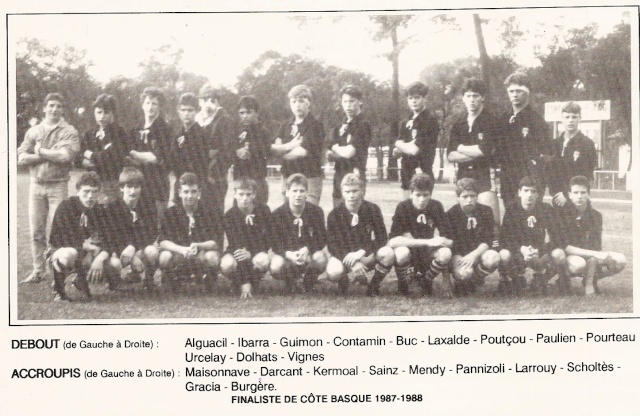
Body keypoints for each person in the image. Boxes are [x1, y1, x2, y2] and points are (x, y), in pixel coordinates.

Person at [18, 92, 80, 284]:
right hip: (36, 186)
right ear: (44, 108)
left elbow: (64, 157)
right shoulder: (33, 131)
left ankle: (58, 272)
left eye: (58, 106)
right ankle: (38, 271)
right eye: (51, 105)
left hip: (58, 186)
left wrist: (38, 152)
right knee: (36, 231)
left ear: (63, 110)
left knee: (58, 231)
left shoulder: (69, 131)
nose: (54, 109)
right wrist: (45, 154)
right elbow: (21, 157)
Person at [552, 176, 626, 296]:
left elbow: (595, 248)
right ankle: (563, 279)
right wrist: (596, 254)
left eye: (583, 192)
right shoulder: (562, 214)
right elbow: (564, 246)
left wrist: (589, 283)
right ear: (570, 195)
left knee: (620, 260)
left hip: (590, 256)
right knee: (579, 264)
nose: (579, 196)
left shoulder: (596, 216)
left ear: (588, 194)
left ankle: (590, 280)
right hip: (571, 257)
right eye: (576, 192)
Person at [447, 78, 501, 240]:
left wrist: (461, 148)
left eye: (475, 96)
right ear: (463, 98)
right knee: (465, 221)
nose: (472, 100)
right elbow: (450, 155)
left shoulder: (491, 121)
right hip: (463, 177)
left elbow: (483, 151)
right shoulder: (459, 124)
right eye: (468, 96)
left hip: (485, 175)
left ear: (482, 97)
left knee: (492, 223)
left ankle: (492, 261)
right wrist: (473, 152)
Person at [326, 173, 395, 296]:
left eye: (355, 191)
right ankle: (343, 279)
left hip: (364, 255)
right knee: (333, 271)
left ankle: (374, 286)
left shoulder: (372, 209)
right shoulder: (335, 214)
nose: (351, 195)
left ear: (362, 191)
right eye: (347, 192)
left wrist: (363, 252)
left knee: (388, 253)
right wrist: (352, 262)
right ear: (342, 192)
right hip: (345, 257)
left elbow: (382, 238)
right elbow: (332, 245)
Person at [388, 173, 453, 297]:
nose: (422, 199)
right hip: (410, 252)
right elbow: (393, 241)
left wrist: (446, 280)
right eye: (418, 195)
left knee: (445, 253)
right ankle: (403, 283)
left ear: (430, 194)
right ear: (411, 193)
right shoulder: (403, 207)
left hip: (426, 253)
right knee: (401, 252)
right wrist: (428, 242)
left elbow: (449, 240)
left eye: (425, 195)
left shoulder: (436, 206)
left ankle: (426, 281)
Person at [46, 172, 107, 301]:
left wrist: (99, 256)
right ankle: (58, 289)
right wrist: (84, 245)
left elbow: (106, 237)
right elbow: (59, 238)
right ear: (78, 190)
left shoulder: (98, 210)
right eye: (86, 191)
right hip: (59, 251)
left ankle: (80, 281)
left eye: (94, 192)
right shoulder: (66, 206)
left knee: (104, 255)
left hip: (83, 251)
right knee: (69, 254)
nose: (90, 196)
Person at [158, 173, 223, 292]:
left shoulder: (209, 212)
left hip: (200, 254)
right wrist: (181, 249)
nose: (190, 196)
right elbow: (162, 241)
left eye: (193, 191)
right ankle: (171, 278)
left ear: (199, 193)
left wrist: (198, 246)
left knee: (212, 256)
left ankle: (209, 279)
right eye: (186, 191)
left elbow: (215, 242)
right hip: (178, 254)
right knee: (165, 256)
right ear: (179, 192)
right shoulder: (170, 213)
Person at [497, 73, 553, 206]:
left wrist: (536, 176)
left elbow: (546, 153)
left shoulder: (537, 120)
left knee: (529, 217)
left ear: (527, 92)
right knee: (511, 216)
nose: (514, 95)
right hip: (508, 178)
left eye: (518, 91)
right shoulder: (503, 119)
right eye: (511, 91)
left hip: (529, 178)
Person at [101, 167, 159, 290]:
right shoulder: (112, 208)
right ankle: (113, 281)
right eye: (129, 186)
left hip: (134, 249)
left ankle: (148, 280)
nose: (133, 191)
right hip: (117, 252)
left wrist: (133, 247)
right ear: (121, 188)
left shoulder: (147, 205)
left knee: (151, 251)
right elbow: (110, 237)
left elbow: (151, 232)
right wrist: (131, 256)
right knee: (115, 264)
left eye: (136, 187)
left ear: (141, 188)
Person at [498, 176, 556, 296]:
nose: (529, 194)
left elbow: (555, 236)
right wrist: (522, 249)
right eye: (526, 190)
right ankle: (510, 279)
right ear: (519, 192)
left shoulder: (545, 209)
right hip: (519, 251)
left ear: (537, 194)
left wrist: (540, 250)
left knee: (558, 253)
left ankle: (540, 278)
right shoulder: (512, 210)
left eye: (533, 191)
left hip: (538, 251)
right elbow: (504, 239)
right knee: (504, 254)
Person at [270, 173, 328, 294]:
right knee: (275, 265)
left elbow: (322, 238)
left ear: (307, 193)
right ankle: (291, 281)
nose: (298, 195)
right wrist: (288, 254)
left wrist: (308, 249)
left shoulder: (316, 211)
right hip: (288, 254)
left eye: (302, 191)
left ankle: (308, 281)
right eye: (294, 191)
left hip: (306, 253)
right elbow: (274, 242)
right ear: (287, 192)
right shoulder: (278, 214)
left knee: (320, 258)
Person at [271, 85, 326, 205]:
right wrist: (290, 146)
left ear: (309, 103)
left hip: (309, 178)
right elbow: (276, 145)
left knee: (309, 214)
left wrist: (282, 152)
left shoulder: (315, 125)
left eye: (301, 101)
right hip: (287, 176)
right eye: (294, 101)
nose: (297, 105)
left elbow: (301, 152)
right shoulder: (285, 125)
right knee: (288, 216)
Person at [445, 178, 500, 296]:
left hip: (478, 253)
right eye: (465, 197)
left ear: (477, 196)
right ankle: (462, 281)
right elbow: (450, 246)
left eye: (472, 196)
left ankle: (475, 280)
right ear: (458, 197)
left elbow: (487, 240)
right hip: (458, 255)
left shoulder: (486, 211)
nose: (469, 200)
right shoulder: (450, 214)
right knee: (464, 273)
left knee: (493, 258)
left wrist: (473, 255)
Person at [127, 87, 171, 228]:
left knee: (158, 224)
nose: (150, 107)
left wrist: (134, 154)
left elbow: (155, 158)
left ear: (160, 106)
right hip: (139, 183)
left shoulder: (165, 129)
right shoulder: (135, 129)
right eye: (148, 103)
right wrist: (141, 156)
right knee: (138, 223)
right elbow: (126, 155)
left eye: (154, 103)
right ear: (142, 105)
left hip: (157, 184)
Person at [220, 179, 272, 299]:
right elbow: (236, 245)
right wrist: (244, 282)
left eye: (248, 194)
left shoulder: (264, 211)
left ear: (254, 194)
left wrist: (252, 253)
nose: (244, 198)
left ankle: (255, 280)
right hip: (236, 251)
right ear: (235, 195)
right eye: (241, 194)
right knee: (227, 264)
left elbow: (268, 239)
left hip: (256, 250)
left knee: (263, 260)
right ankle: (237, 281)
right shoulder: (229, 215)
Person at [78, 93, 129, 204]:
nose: (102, 116)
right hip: (90, 185)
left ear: (113, 113)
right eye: (99, 112)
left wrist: (89, 155)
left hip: (111, 184)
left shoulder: (119, 133)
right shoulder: (90, 134)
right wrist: (94, 158)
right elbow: (78, 158)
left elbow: (110, 158)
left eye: (106, 112)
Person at [326, 84, 372, 207]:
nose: (348, 105)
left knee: (354, 212)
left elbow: (349, 152)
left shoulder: (363, 124)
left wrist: (335, 148)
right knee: (337, 214)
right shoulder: (340, 125)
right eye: (345, 101)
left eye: (352, 101)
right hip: (339, 173)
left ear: (360, 102)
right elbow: (329, 153)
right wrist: (336, 151)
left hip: (355, 173)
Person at [393, 81, 440, 198]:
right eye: (410, 98)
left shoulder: (429, 120)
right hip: (406, 173)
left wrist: (400, 144)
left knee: (422, 210)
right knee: (406, 211)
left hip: (422, 172)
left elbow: (414, 150)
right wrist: (402, 146)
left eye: (417, 97)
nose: (413, 101)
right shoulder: (405, 122)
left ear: (424, 99)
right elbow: (395, 152)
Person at [548, 102, 598, 207]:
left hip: (578, 199)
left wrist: (566, 194)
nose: (570, 120)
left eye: (574, 117)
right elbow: (550, 172)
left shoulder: (587, 143)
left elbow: (586, 174)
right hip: (558, 200)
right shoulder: (554, 144)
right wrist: (556, 194)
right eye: (567, 117)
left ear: (580, 118)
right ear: (562, 119)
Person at [197, 84, 235, 215]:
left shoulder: (224, 121)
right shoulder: (195, 120)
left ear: (218, 103)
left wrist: (213, 170)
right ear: (199, 102)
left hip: (215, 176)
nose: (208, 104)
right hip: (197, 174)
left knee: (214, 214)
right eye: (204, 100)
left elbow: (227, 150)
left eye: (212, 101)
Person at [170, 93, 212, 209]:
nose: (186, 113)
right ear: (178, 111)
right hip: (180, 184)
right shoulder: (178, 135)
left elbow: (203, 163)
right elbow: (173, 161)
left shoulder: (202, 134)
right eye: (183, 110)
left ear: (196, 111)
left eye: (190, 110)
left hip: (197, 185)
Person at [232, 95, 270, 204]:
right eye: (242, 113)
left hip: (257, 180)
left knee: (260, 214)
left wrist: (251, 152)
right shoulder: (235, 131)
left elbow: (267, 151)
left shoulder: (263, 131)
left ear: (257, 113)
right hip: (240, 180)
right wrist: (236, 152)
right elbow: (228, 150)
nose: (245, 116)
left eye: (249, 112)